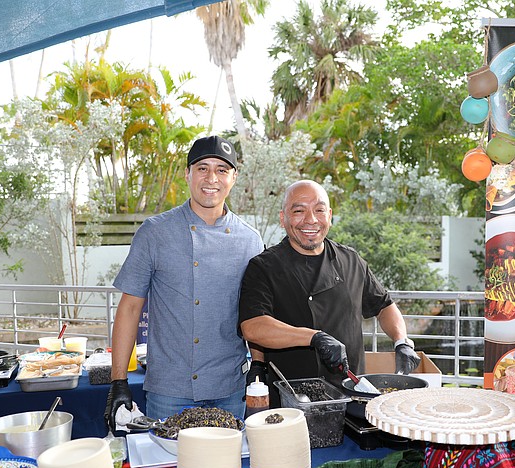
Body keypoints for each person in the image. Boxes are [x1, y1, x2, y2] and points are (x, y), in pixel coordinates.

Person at [104, 135, 264, 432]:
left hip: (229, 388)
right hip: (169, 389)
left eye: (221, 169)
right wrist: (119, 382)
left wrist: (258, 364)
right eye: (202, 168)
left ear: (233, 177)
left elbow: (257, 314)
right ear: (187, 174)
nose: (211, 178)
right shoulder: (154, 233)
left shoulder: (250, 240)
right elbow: (129, 309)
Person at [238, 179, 420, 406]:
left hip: (352, 395)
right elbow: (253, 327)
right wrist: (314, 337)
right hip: (294, 399)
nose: (311, 220)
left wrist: (401, 341)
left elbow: (384, 306)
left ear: (330, 216)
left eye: (319, 210)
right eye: (299, 211)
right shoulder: (264, 267)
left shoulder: (351, 260)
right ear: (283, 218)